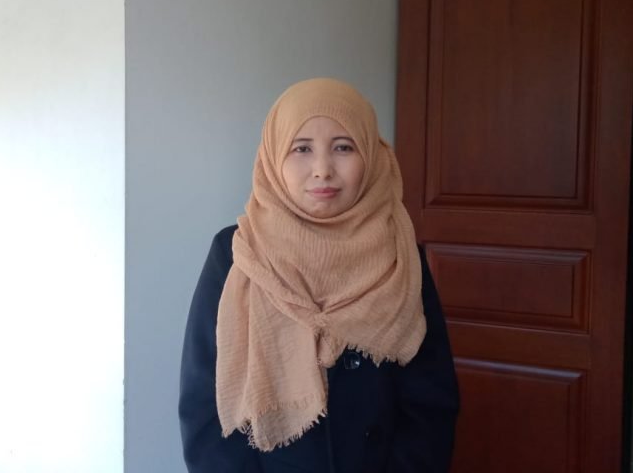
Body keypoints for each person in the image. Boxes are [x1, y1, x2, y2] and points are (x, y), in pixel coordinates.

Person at [179, 78, 459, 472]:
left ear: (371, 155)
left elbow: (429, 406)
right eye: (302, 148)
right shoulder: (238, 253)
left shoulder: (400, 254)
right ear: (274, 156)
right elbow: (204, 405)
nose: (323, 170)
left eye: (343, 147)